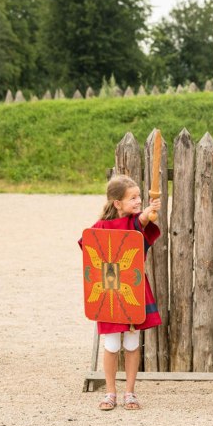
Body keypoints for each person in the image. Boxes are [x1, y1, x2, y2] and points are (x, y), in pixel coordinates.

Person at [84, 175, 162, 411]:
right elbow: (89, 250)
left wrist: (150, 209)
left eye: (139, 197)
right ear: (117, 203)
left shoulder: (134, 223)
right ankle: (110, 393)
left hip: (132, 290)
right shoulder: (100, 228)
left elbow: (143, 219)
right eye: (132, 198)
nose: (137, 201)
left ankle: (130, 392)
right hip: (109, 293)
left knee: (131, 343)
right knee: (111, 345)